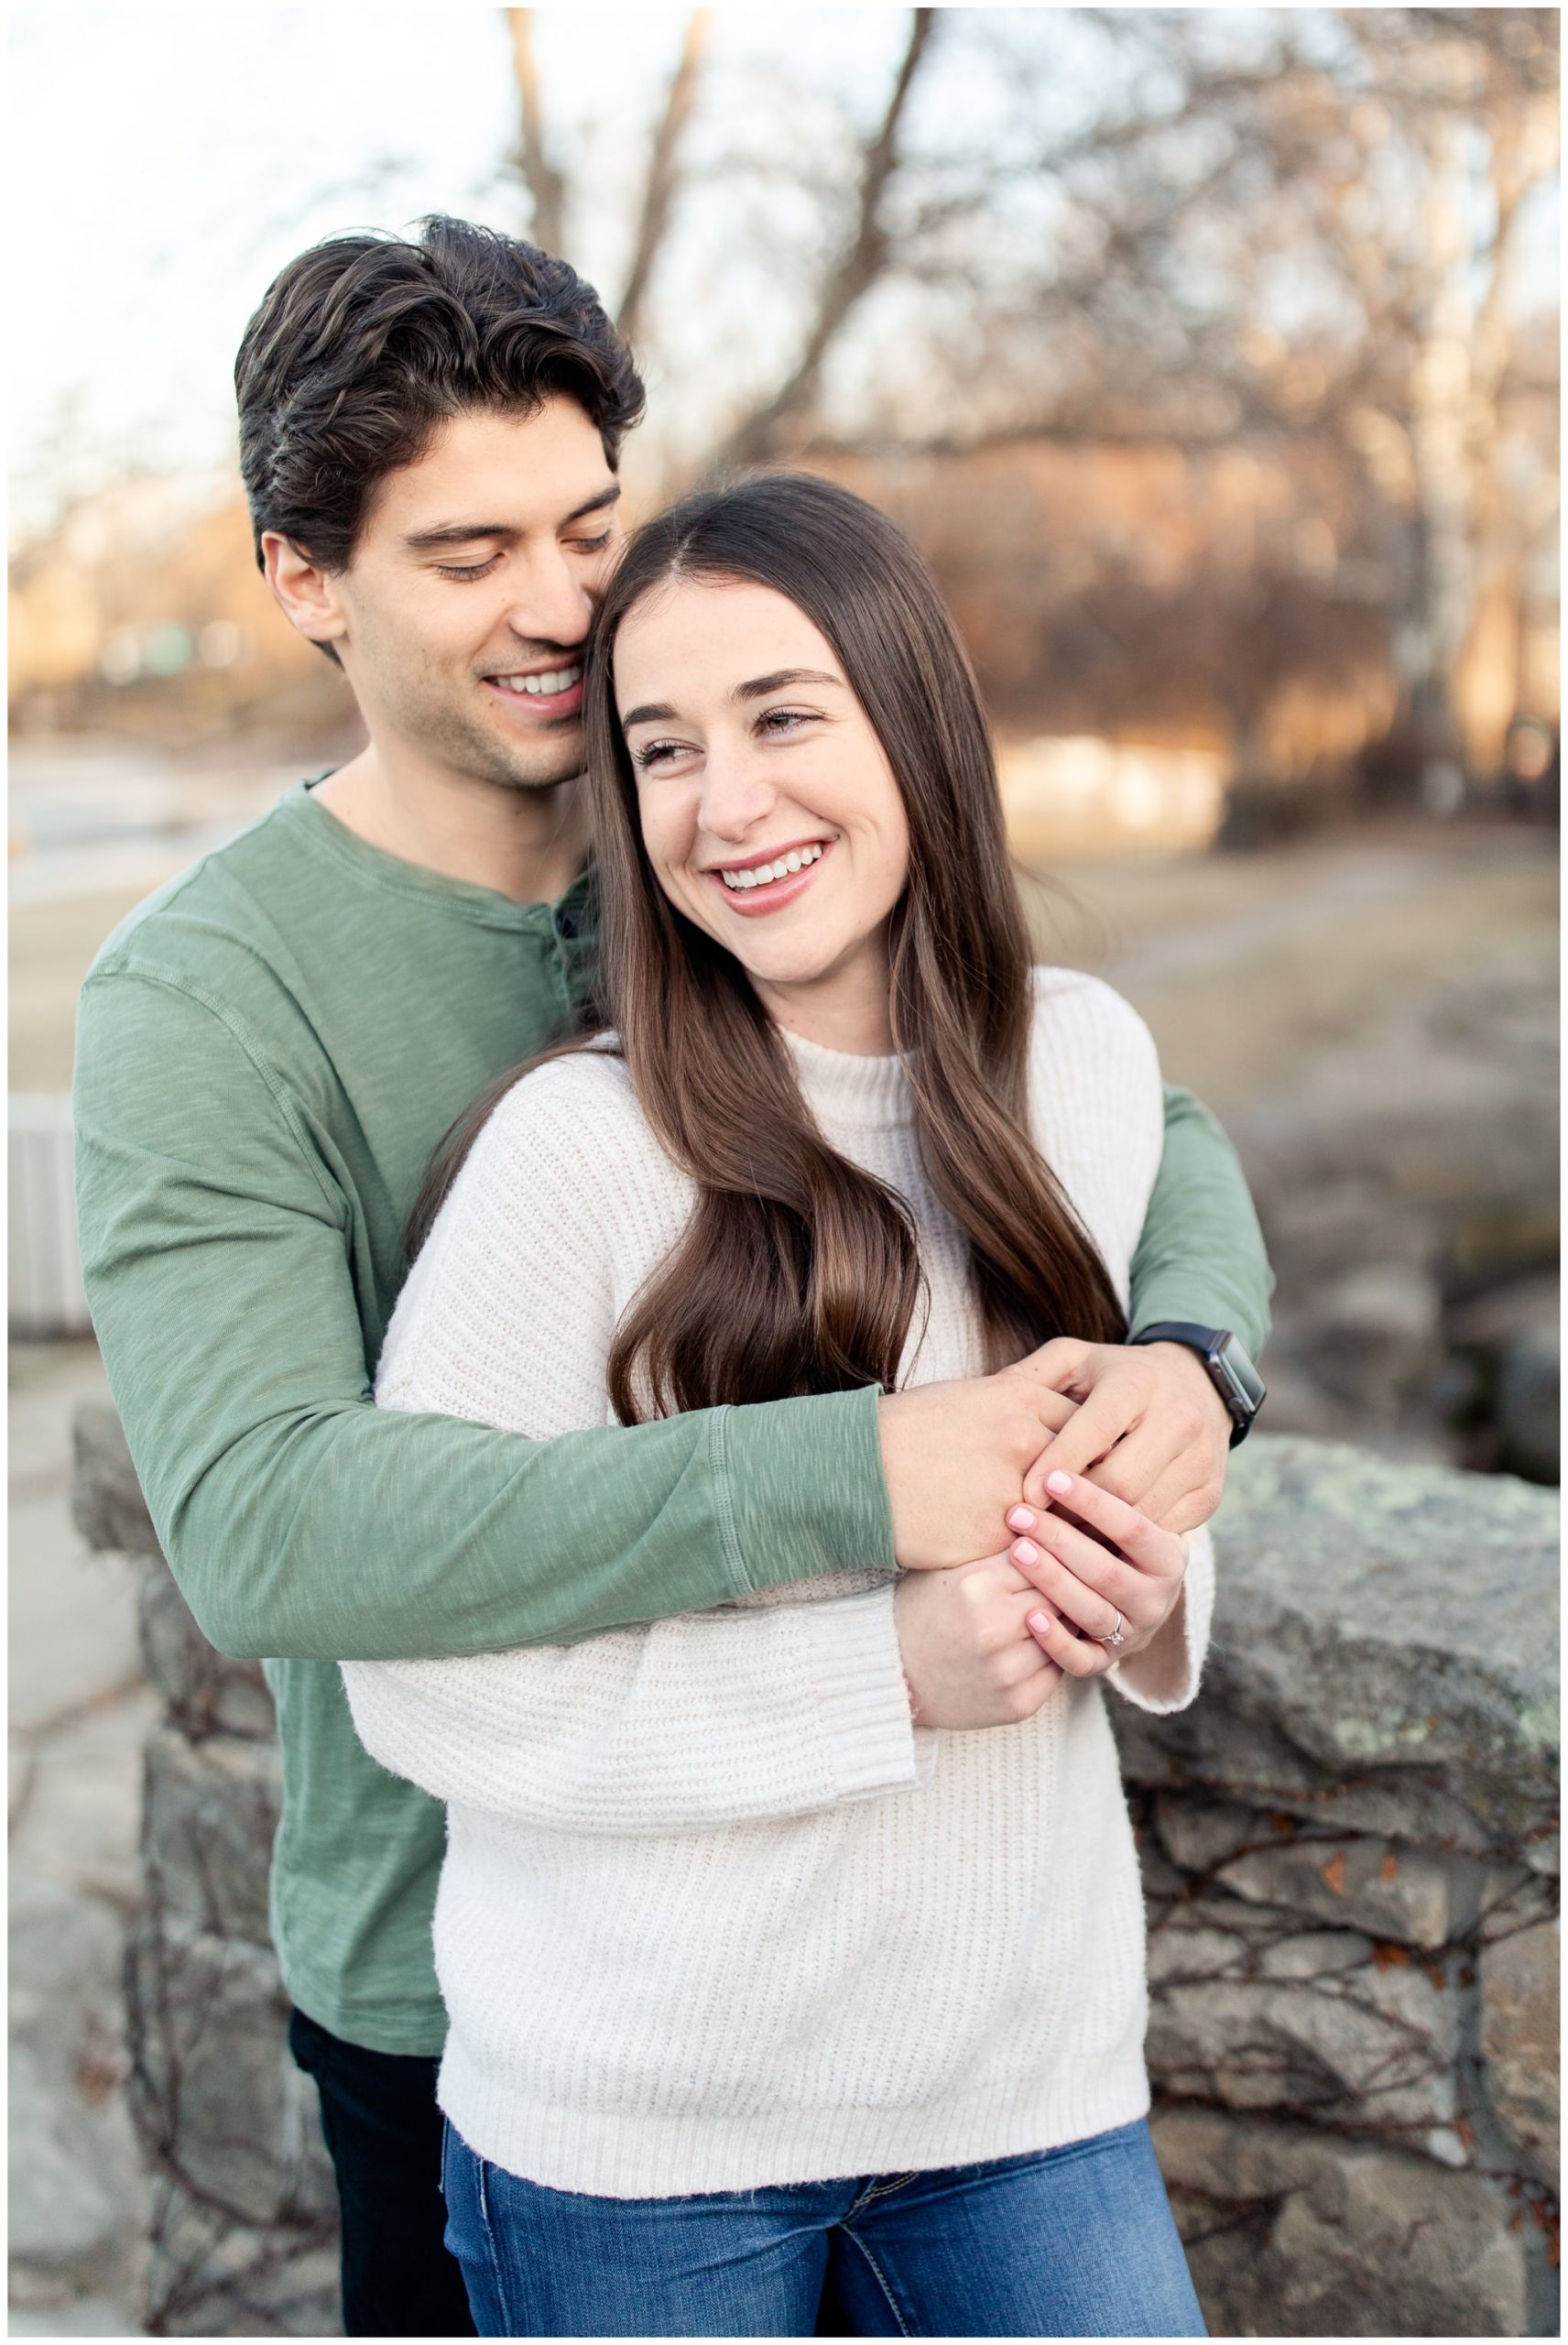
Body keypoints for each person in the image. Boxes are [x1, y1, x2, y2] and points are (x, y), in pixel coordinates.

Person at [73, 219, 1269, 2339]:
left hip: (923, 2008)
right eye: (465, 555)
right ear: (303, 579)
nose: (557, 608)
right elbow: (267, 1524)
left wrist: (1191, 1351)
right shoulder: (213, 993)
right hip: (481, 1991)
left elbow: (1119, 1125)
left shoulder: (710, 821)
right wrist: (863, 1479)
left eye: (587, 529)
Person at [343, 472, 1220, 2339]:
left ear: (912, 717)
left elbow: (1126, 1501)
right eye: (660, 749)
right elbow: (412, 1671)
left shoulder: (1088, 1064)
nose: (723, 803)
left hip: (1022, 2088)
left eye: (782, 716)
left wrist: (1145, 1575)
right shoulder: (572, 1158)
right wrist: (878, 1670)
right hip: (638, 2135)